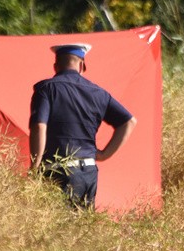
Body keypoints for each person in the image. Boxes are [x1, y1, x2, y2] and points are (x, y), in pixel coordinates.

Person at [29, 43, 137, 208]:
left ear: (56, 66)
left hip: (57, 172)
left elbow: (39, 127)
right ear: (82, 65)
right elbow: (129, 121)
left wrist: (34, 167)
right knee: (82, 229)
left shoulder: (46, 89)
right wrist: (104, 154)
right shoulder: (99, 93)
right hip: (89, 172)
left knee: (56, 229)